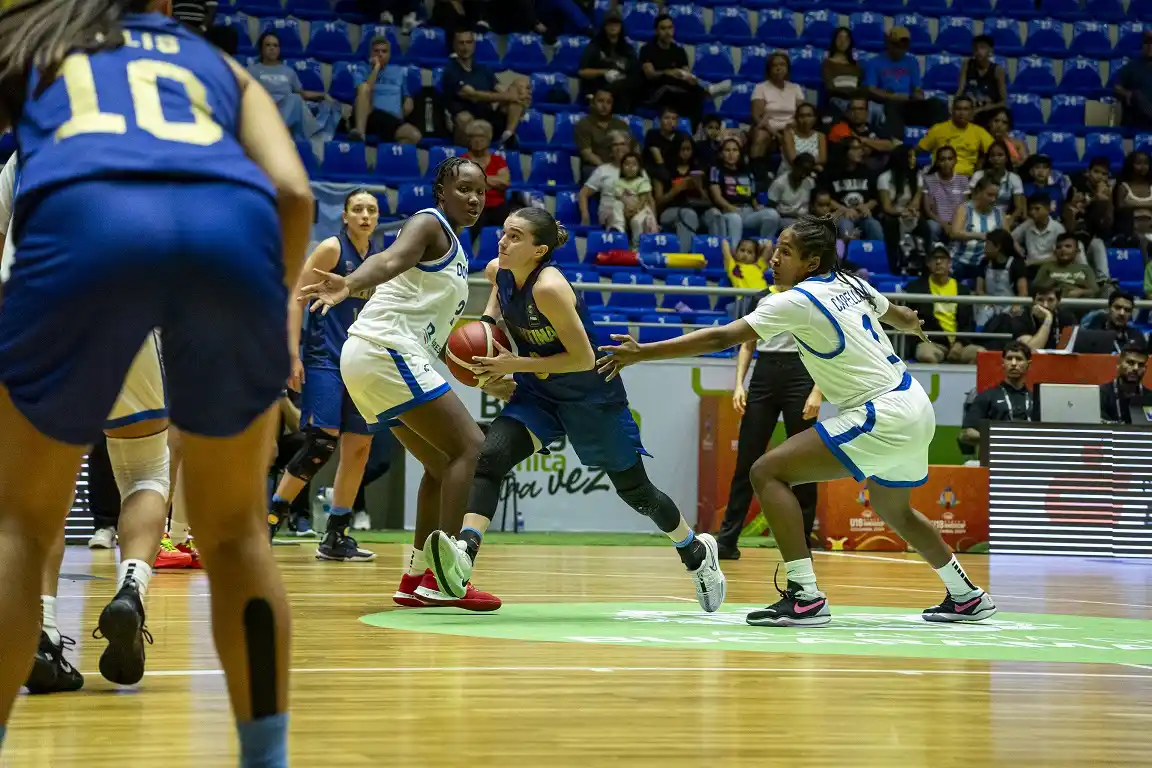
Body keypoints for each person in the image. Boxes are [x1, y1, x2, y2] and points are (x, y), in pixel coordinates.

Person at [0, 2, 315, 763]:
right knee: (237, 534)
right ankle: (266, 756)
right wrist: (271, 311)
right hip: (228, 238)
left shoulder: (36, 42)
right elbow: (294, 193)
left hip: (81, 229)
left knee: (19, 529)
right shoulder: (218, 65)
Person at [598, 215, 997, 627]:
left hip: (883, 412)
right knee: (893, 508)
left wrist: (643, 352)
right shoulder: (852, 283)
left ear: (811, 263)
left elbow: (721, 337)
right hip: (914, 403)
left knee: (766, 472)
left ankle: (805, 597)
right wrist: (914, 324)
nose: (774, 258)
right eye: (776, 249)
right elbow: (899, 315)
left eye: (785, 252)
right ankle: (967, 596)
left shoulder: (795, 300)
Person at [423, 208, 727, 610]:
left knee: (637, 492)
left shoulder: (549, 288)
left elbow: (583, 358)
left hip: (590, 394)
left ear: (539, 250)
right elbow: (497, 289)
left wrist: (514, 365)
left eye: (515, 236)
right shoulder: (500, 269)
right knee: (490, 457)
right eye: (504, 233)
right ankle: (464, 554)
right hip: (540, 393)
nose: (502, 241)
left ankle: (695, 553)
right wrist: (488, 328)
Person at [299, 157, 499, 611]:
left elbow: (433, 333)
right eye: (464, 189)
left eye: (480, 192)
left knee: (441, 463)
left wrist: (484, 374)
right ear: (441, 193)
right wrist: (349, 283)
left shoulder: (455, 250)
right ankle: (449, 576)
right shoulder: (429, 224)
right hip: (383, 349)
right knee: (472, 446)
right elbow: (389, 259)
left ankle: (415, 577)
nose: (474, 198)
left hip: (376, 355)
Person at [267, 190, 380, 561]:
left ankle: (336, 536)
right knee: (321, 443)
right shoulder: (332, 249)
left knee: (359, 449)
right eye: (358, 209)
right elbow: (296, 299)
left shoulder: (378, 259)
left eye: (372, 210)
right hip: (325, 358)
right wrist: (291, 354)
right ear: (345, 216)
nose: (365, 215)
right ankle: (270, 520)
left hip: (361, 363)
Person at [717, 277, 823, 560]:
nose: (776, 260)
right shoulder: (760, 298)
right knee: (747, 461)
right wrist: (739, 385)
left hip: (801, 375)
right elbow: (747, 345)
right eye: (775, 256)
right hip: (764, 375)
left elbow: (825, 348)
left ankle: (802, 542)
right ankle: (727, 540)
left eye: (784, 256)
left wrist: (817, 390)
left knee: (804, 463)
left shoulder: (810, 297)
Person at [442, 29, 530, 148]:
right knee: (464, 118)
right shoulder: (451, 71)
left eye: (469, 42)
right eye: (461, 43)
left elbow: (501, 90)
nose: (465, 47)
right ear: (454, 46)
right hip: (466, 124)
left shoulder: (483, 69)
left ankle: (508, 136)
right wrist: (510, 96)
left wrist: (520, 95)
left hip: (488, 118)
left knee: (520, 85)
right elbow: (473, 95)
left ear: (474, 44)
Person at [639, 14, 729, 128]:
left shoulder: (679, 51)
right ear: (656, 31)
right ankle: (706, 92)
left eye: (670, 28)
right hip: (656, 90)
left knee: (693, 96)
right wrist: (667, 72)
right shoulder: (647, 49)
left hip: (676, 89)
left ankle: (695, 130)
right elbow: (650, 74)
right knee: (671, 81)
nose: (667, 32)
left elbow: (686, 72)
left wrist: (690, 78)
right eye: (663, 28)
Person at [248, 31, 336, 142]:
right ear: (261, 49)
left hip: (286, 109)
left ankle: (279, 132)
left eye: (275, 45)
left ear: (279, 49)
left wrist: (323, 95)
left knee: (296, 99)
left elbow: (301, 93)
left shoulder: (288, 71)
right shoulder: (252, 70)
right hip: (265, 108)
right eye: (268, 45)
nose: (272, 48)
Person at [863, 26, 947, 138]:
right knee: (893, 105)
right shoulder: (874, 62)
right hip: (888, 102)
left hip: (908, 103)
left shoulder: (911, 61)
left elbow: (917, 88)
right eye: (897, 46)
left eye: (904, 47)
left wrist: (918, 94)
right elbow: (870, 89)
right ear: (889, 44)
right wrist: (893, 96)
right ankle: (896, 143)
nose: (901, 50)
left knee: (937, 104)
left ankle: (941, 139)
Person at [905, 246, 985, 364]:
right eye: (934, 258)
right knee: (926, 355)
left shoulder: (962, 290)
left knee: (983, 355)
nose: (938, 262)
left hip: (959, 345)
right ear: (928, 264)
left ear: (949, 263)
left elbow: (969, 323)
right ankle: (934, 377)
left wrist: (960, 343)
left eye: (942, 258)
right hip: (931, 342)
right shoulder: (915, 288)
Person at [958, 341, 1038, 452]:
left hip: (1030, 456)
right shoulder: (986, 396)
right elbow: (966, 434)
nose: (1013, 363)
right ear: (1003, 363)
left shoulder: (1036, 400)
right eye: (1009, 359)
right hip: (996, 456)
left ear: (1028, 365)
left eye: (1019, 359)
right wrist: (998, 438)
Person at [705, 136, 781, 242]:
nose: (731, 154)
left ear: (739, 153)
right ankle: (733, 251)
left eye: (735, 150)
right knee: (735, 218)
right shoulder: (715, 170)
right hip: (728, 211)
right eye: (727, 150)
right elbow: (717, 197)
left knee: (773, 215)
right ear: (721, 153)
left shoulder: (747, 171)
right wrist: (730, 207)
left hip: (748, 212)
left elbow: (752, 195)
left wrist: (757, 207)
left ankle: (763, 246)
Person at [350, 37, 421, 145]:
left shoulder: (398, 72)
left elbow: (406, 98)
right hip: (369, 116)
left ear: (389, 54)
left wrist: (408, 100)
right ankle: (360, 135)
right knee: (364, 87)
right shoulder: (362, 69)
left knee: (414, 136)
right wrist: (376, 68)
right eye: (376, 51)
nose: (380, 54)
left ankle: (390, 153)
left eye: (384, 51)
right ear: (371, 53)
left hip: (390, 119)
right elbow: (365, 91)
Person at [817, 136, 882, 241]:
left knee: (875, 226)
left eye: (861, 148)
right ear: (845, 151)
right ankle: (847, 252)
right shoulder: (831, 172)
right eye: (856, 148)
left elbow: (875, 198)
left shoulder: (867, 171)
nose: (860, 152)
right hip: (841, 215)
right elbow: (826, 198)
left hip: (862, 214)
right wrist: (844, 210)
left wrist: (866, 206)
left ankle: (878, 252)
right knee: (846, 228)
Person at [577, 11, 641, 113]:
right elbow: (582, 72)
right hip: (598, 90)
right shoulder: (594, 46)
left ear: (621, 27)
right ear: (604, 26)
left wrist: (622, 77)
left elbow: (635, 72)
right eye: (610, 23)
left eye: (616, 23)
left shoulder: (627, 48)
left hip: (621, 91)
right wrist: (604, 72)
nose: (613, 26)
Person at [983, 282, 1075, 352]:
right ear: (1033, 302)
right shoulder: (1022, 318)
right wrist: (1048, 319)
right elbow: (1032, 351)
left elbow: (1070, 350)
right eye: (1040, 300)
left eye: (1050, 300)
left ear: (1058, 302)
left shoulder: (1067, 318)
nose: (1045, 305)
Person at [654, 135, 709, 251]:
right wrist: (676, 190)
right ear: (675, 150)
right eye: (682, 149)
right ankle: (685, 256)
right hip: (669, 212)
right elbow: (658, 202)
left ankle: (720, 254)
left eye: (688, 149)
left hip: (697, 209)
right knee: (689, 214)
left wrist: (699, 188)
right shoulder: (663, 170)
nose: (686, 153)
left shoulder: (698, 169)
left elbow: (707, 201)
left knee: (715, 214)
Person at [916, 96, 993, 178]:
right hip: (940, 178)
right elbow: (917, 150)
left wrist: (980, 167)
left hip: (966, 179)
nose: (962, 113)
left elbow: (996, 149)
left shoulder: (979, 132)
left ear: (972, 112)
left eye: (966, 109)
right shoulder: (938, 129)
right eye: (958, 109)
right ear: (952, 111)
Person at [876, 145, 925, 274]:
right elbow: (887, 207)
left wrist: (911, 211)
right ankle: (895, 263)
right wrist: (902, 212)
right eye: (910, 156)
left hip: (909, 213)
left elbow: (916, 202)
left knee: (923, 224)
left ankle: (923, 263)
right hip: (891, 214)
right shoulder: (885, 178)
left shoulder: (917, 176)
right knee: (891, 223)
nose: (914, 159)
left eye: (914, 156)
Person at [750, 52, 805, 160]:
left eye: (782, 65)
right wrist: (776, 134)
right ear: (769, 69)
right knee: (761, 137)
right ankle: (756, 168)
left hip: (790, 127)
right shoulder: (760, 87)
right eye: (775, 65)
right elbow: (757, 116)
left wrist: (790, 129)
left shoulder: (795, 88)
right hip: (767, 128)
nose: (779, 68)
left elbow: (801, 113)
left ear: (787, 68)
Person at [464, 119, 512, 241]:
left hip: (497, 205)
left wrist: (480, 179)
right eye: (473, 137)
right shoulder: (462, 161)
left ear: (488, 139)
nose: (477, 140)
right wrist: (493, 181)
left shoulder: (497, 160)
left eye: (481, 137)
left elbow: (505, 182)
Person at [951, 176, 1005, 282]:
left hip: (986, 264)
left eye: (996, 196)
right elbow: (954, 233)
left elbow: (1007, 240)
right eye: (989, 195)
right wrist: (981, 235)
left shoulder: (1000, 214)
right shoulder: (964, 209)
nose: (993, 199)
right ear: (978, 192)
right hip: (960, 261)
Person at [579, 130, 631, 231]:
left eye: (622, 144)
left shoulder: (639, 170)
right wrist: (585, 215)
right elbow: (583, 194)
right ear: (610, 150)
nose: (619, 147)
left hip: (632, 210)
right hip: (610, 211)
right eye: (615, 145)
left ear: (628, 147)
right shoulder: (603, 170)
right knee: (617, 212)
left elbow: (648, 198)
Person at [575, 88, 632, 179]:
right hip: (595, 167)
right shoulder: (584, 124)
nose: (605, 106)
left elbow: (631, 149)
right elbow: (587, 154)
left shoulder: (621, 124)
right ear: (593, 103)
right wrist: (608, 170)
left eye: (608, 102)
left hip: (619, 165)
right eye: (601, 101)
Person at [827, 98, 897, 169]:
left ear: (867, 112)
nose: (856, 112)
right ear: (847, 112)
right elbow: (852, 145)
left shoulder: (874, 127)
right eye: (853, 109)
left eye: (860, 109)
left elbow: (890, 145)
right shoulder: (840, 127)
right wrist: (872, 144)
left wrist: (863, 140)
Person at [969, 140, 1025, 226]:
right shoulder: (978, 175)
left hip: (1004, 217)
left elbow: (1019, 207)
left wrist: (1010, 221)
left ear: (1006, 158)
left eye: (1000, 155)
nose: (996, 158)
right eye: (992, 155)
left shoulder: (1014, 178)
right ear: (989, 158)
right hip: (980, 216)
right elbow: (972, 201)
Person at [922, 146, 969, 245]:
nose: (946, 162)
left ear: (955, 161)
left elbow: (965, 208)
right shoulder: (929, 180)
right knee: (931, 225)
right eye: (942, 159)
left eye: (950, 159)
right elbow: (928, 210)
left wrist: (954, 224)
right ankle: (935, 249)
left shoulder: (963, 180)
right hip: (938, 222)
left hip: (957, 221)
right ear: (937, 162)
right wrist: (943, 224)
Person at [956, 35, 1007, 125]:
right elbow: (960, 89)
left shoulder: (997, 70)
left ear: (990, 50)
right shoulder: (967, 64)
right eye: (975, 48)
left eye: (982, 48)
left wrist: (981, 109)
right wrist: (955, 106)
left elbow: (1004, 102)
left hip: (988, 111)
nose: (978, 51)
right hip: (970, 108)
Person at [1034, 232, 1098, 300]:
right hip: (1053, 302)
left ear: (1077, 251)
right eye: (1058, 247)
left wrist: (1081, 292)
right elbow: (1035, 289)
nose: (1063, 249)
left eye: (1068, 246)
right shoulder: (1047, 267)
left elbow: (1096, 291)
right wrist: (1051, 284)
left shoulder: (1085, 269)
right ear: (1055, 252)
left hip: (1080, 303)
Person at [1012, 192, 1066, 271]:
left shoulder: (1058, 228)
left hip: (1050, 268)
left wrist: (1032, 262)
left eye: (1037, 209)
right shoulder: (1027, 224)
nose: (1032, 212)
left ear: (1048, 209)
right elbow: (1010, 238)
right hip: (1030, 268)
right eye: (1030, 209)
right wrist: (1019, 250)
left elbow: (1057, 257)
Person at [614, 152, 659, 246]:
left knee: (636, 221)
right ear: (621, 167)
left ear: (639, 168)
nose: (630, 167)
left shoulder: (642, 181)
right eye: (627, 164)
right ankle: (619, 234)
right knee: (616, 205)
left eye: (634, 164)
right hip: (626, 209)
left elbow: (642, 201)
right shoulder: (618, 182)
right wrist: (626, 211)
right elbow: (620, 198)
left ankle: (637, 245)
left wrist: (634, 211)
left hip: (640, 209)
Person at [1100, 343, 1151, 423]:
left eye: (1141, 365)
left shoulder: (1149, 397)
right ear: (1119, 364)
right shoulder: (1102, 394)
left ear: (1145, 369)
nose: (1136, 368)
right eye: (1130, 363)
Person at [768, 152, 817, 230]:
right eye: (802, 170)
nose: (803, 175)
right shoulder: (779, 183)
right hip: (785, 218)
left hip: (804, 218)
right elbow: (771, 206)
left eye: (807, 172)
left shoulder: (810, 183)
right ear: (794, 166)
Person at [1114, 31, 1152, 130]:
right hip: (1137, 118)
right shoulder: (1131, 67)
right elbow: (1117, 87)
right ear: (1142, 46)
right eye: (1147, 43)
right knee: (1136, 95)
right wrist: (1127, 94)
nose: (1150, 46)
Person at [778, 102, 826, 175]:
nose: (805, 119)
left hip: (812, 173)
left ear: (815, 118)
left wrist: (807, 163)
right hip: (790, 172)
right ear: (796, 118)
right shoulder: (788, 134)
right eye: (801, 116)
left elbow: (823, 159)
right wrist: (814, 165)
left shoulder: (820, 136)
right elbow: (793, 160)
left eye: (809, 115)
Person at [1115, 150, 1152, 241]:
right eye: (1139, 163)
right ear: (1130, 165)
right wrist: (1149, 205)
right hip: (1130, 230)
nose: (1143, 167)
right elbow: (1120, 207)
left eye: (1146, 163)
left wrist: (1132, 204)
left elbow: (1127, 204)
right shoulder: (1123, 187)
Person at [643, 106, 687, 181]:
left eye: (673, 119)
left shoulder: (682, 137)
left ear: (677, 122)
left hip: (675, 172)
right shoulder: (652, 134)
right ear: (659, 120)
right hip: (655, 171)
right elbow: (647, 158)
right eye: (666, 118)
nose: (670, 122)